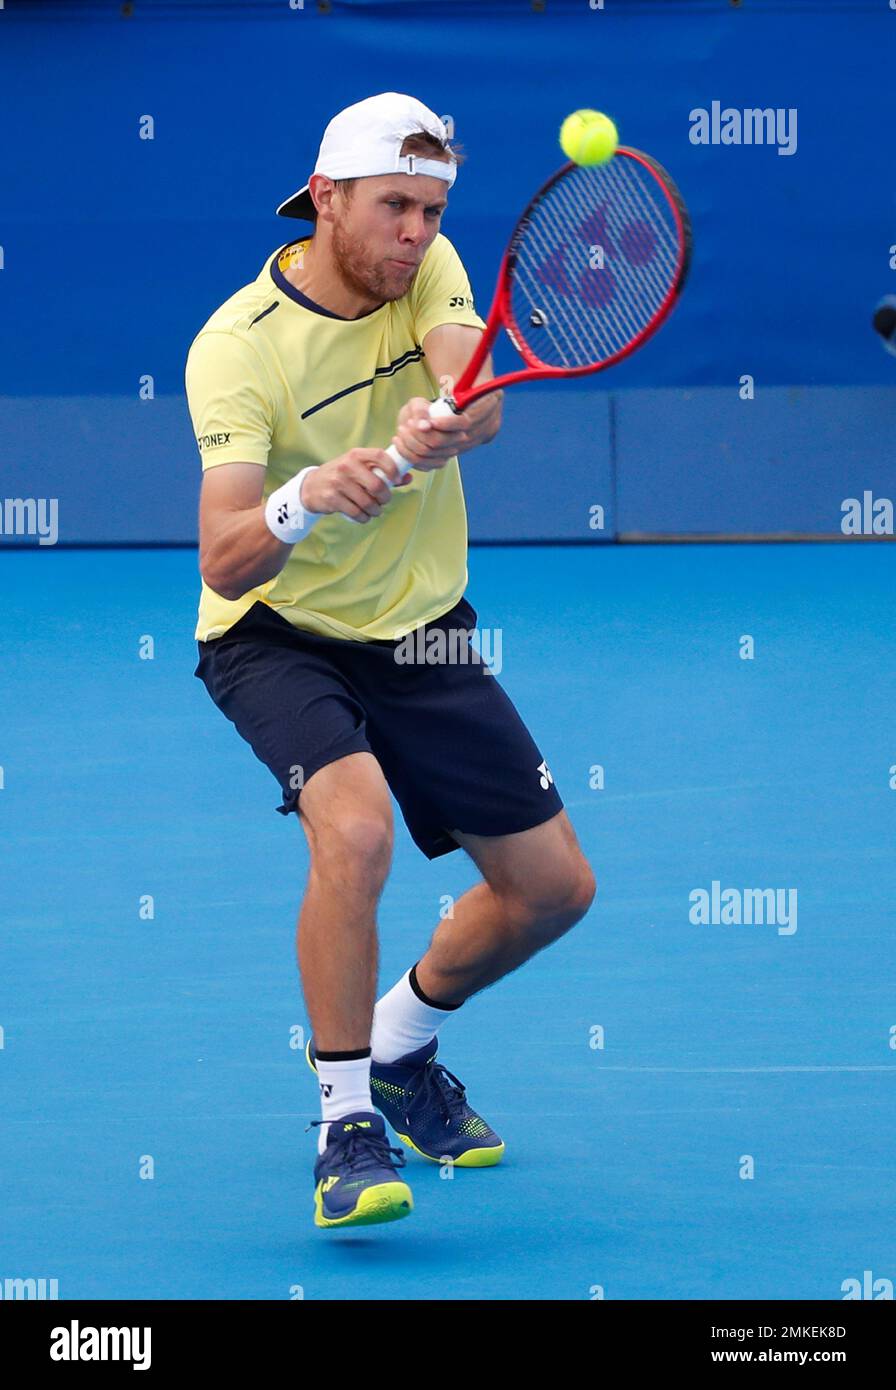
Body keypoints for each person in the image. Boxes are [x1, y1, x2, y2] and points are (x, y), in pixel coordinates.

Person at [185, 92, 596, 1230]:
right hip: (278, 638)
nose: (416, 232)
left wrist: (447, 419)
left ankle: (405, 1045)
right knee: (356, 832)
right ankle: (345, 1117)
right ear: (325, 199)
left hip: (419, 629)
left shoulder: (429, 268)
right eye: (393, 208)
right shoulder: (235, 348)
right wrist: (305, 495)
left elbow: (476, 390)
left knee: (553, 891)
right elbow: (225, 563)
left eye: (431, 209)